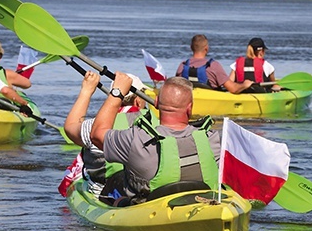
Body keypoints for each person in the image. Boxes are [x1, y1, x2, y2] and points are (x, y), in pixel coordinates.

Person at [90, 75, 220, 206]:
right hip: (204, 207)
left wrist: (116, 92)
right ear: (189, 108)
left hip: (148, 212)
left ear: (156, 102)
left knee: (115, 196)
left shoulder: (136, 138)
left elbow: (96, 135)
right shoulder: (212, 139)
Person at [63, 71, 149, 195]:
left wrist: (86, 91)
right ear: (138, 101)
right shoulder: (156, 125)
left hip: (103, 195)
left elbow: (70, 127)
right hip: (144, 193)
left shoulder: (94, 126)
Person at [175, 34, 253, 94]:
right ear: (206, 48)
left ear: (191, 48)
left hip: (189, 100)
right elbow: (233, 89)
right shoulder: (213, 66)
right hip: (210, 101)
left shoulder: (182, 66)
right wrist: (244, 84)